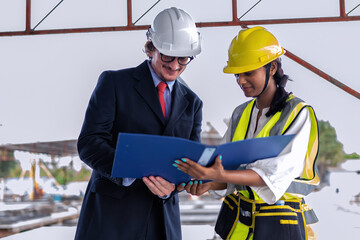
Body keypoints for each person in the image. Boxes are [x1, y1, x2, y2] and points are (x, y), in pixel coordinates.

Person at [175, 26, 319, 240]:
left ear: (272, 68)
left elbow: (271, 176)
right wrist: (207, 183)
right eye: (237, 74)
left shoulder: (298, 113)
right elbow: (225, 169)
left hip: (281, 227)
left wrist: (217, 175)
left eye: (248, 72)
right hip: (241, 228)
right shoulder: (241, 113)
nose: (241, 80)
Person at [74, 7, 202, 240]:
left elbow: (190, 163)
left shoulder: (192, 103)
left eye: (183, 58)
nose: (175, 65)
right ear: (151, 47)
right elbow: (89, 143)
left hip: (162, 223)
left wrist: (176, 185)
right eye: (167, 56)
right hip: (112, 221)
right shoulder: (114, 83)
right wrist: (129, 170)